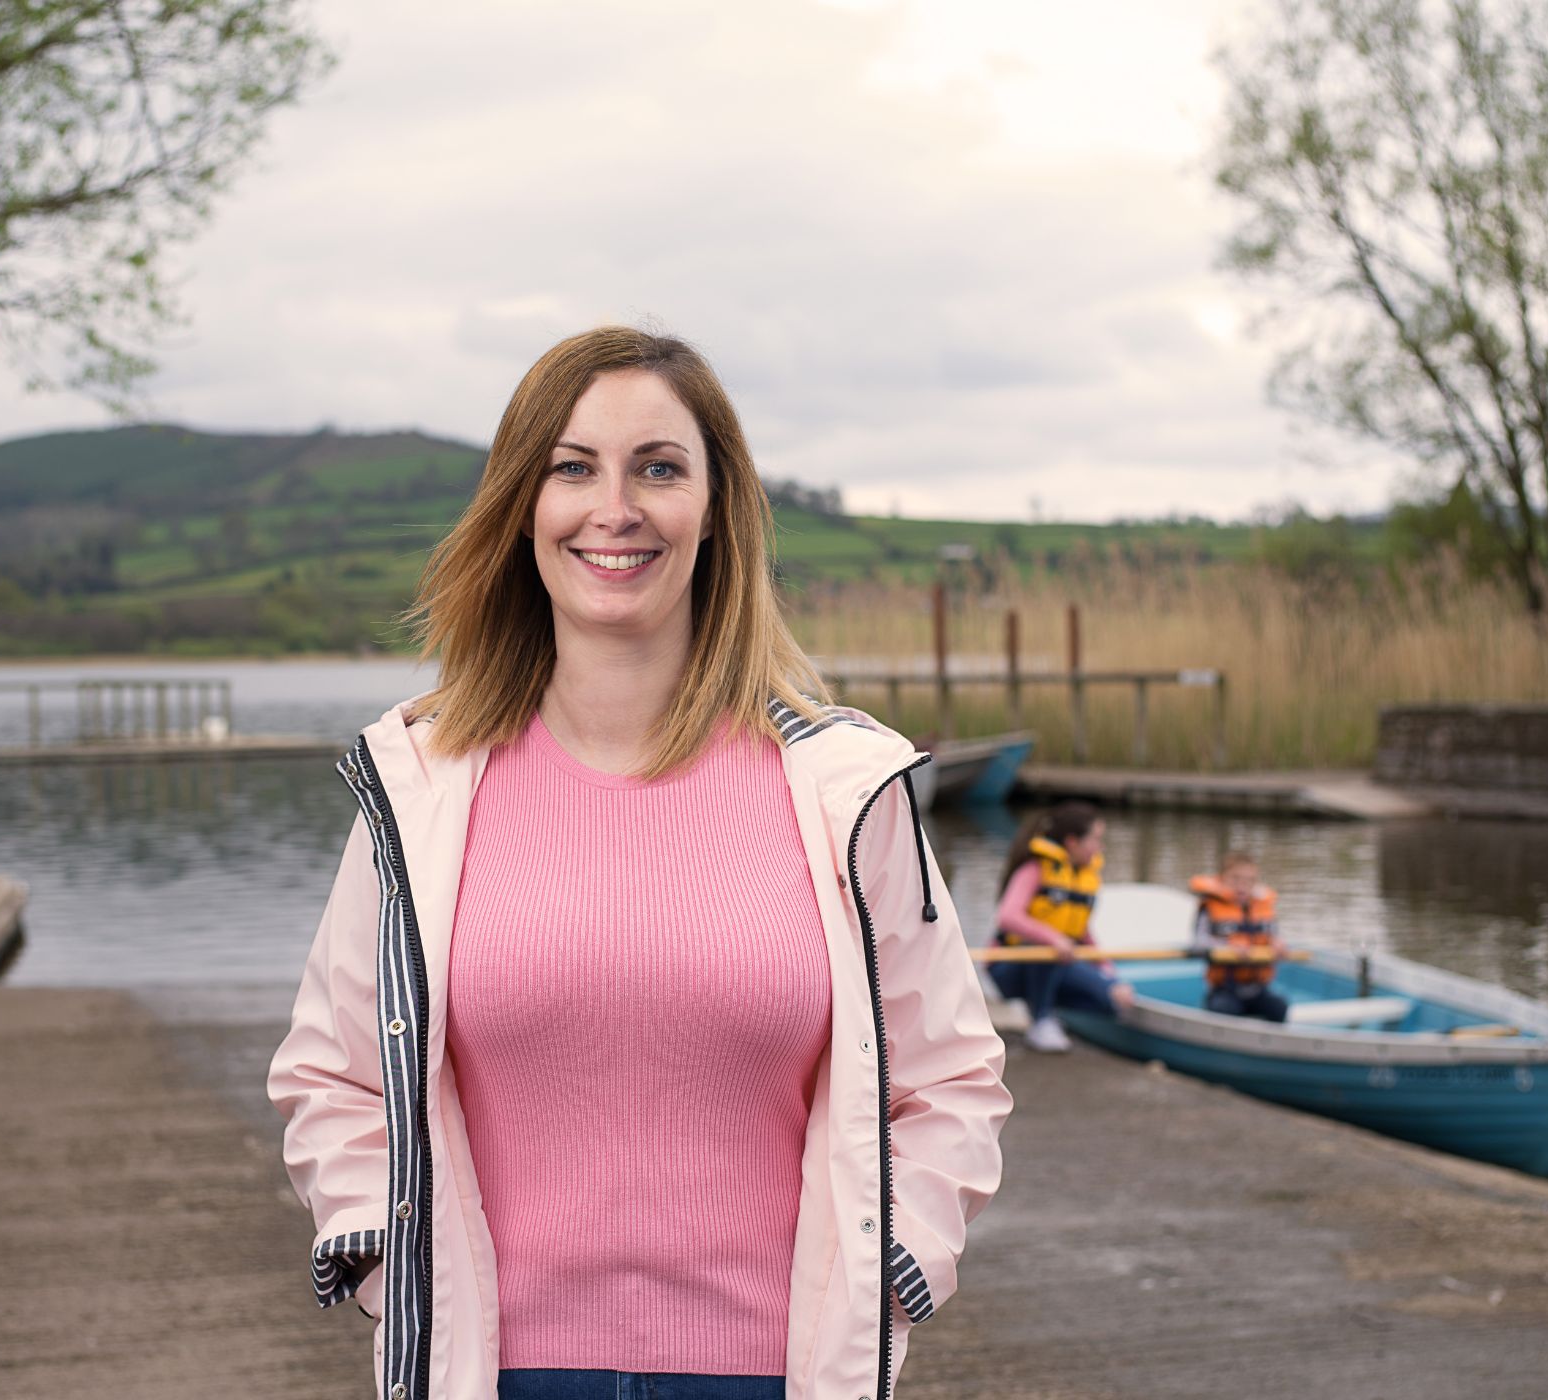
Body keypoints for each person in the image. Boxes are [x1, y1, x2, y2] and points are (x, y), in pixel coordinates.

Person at [266, 326, 1012, 1400]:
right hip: (495, 1372)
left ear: (715, 510)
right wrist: (391, 1258)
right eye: (572, 467)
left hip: (774, 1375)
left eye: (657, 467)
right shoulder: (421, 787)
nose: (613, 507)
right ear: (524, 504)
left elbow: (948, 1076)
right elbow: (331, 1072)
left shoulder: (845, 789)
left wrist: (893, 1268)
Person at [985, 802, 1135, 1054]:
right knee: (1046, 948)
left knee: (1111, 1001)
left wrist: (1107, 971)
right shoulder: (1035, 869)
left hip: (1055, 963)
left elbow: (1082, 932)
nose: (1101, 847)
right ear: (1073, 842)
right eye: (1096, 839)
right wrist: (1053, 938)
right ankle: (1040, 1020)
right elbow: (1008, 917)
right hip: (1010, 965)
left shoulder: (1082, 876)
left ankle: (1049, 1009)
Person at [1189, 852, 1289, 1023]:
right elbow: (1199, 943)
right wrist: (1227, 947)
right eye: (1235, 879)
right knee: (1225, 1009)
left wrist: (1278, 944)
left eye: (1249, 881)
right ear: (1223, 879)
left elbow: (1274, 936)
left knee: (1279, 1008)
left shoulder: (1262, 908)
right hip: (1224, 989)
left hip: (1258, 989)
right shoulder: (1209, 908)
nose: (1242, 886)